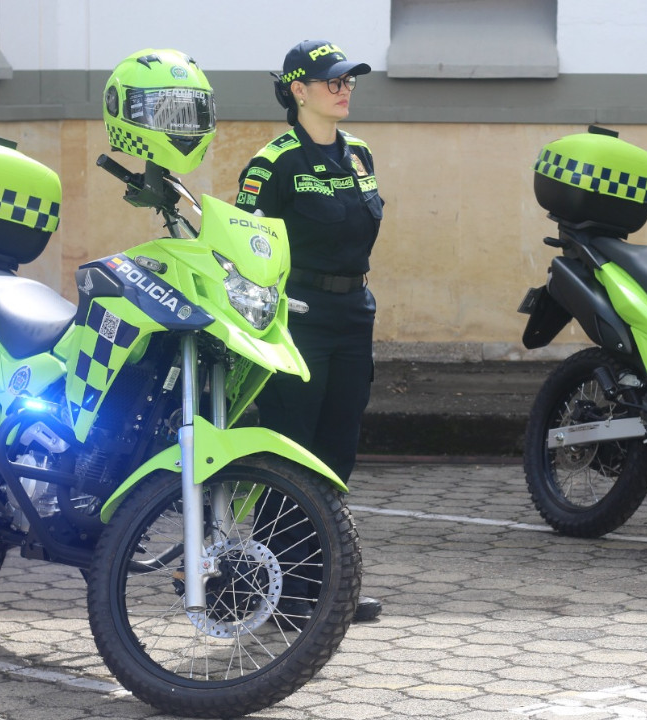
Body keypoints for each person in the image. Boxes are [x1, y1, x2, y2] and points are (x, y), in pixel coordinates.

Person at [236, 40, 384, 620]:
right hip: (298, 318)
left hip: (353, 315)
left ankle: (324, 584)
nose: (344, 90)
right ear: (298, 90)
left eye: (349, 81)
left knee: (337, 453)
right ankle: (276, 587)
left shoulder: (360, 154)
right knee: (291, 451)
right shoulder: (272, 164)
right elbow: (245, 251)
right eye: (332, 82)